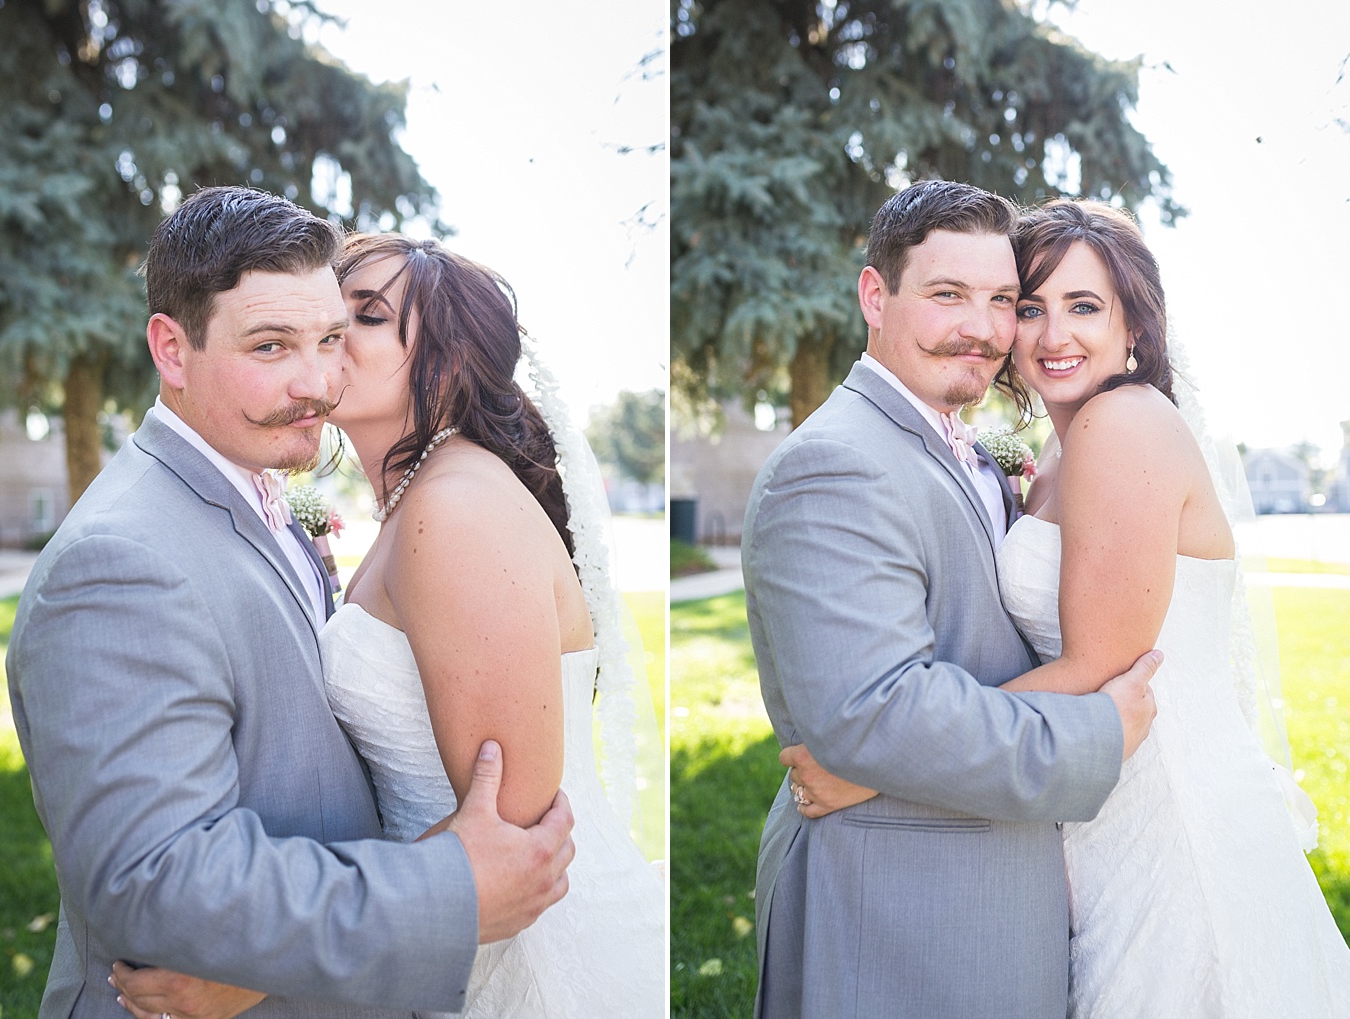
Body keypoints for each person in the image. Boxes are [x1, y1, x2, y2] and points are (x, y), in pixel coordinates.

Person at [5, 186, 578, 1019]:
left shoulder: (263, 489)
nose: (317, 381)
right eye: (270, 346)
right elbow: (155, 883)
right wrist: (447, 888)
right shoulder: (119, 561)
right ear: (171, 348)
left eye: (333, 339)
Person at [793, 197, 1350, 1016]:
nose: (1054, 335)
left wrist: (868, 773)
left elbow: (1095, 667)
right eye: (1031, 307)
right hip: (1094, 801)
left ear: (1134, 329)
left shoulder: (1123, 425)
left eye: (1084, 307)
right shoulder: (1059, 449)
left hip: (1168, 822)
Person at [116, 233, 667, 1018]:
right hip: (440, 936)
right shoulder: (418, 504)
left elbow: (514, 818)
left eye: (363, 317)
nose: (330, 334)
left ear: (446, 356)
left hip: (530, 960)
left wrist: (252, 971)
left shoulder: (457, 510)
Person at [739, 178, 1162, 1019]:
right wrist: (1097, 734)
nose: (983, 327)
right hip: (900, 912)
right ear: (875, 295)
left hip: (973, 885)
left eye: (1002, 299)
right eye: (947, 295)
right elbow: (874, 715)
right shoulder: (835, 464)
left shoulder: (959, 445)